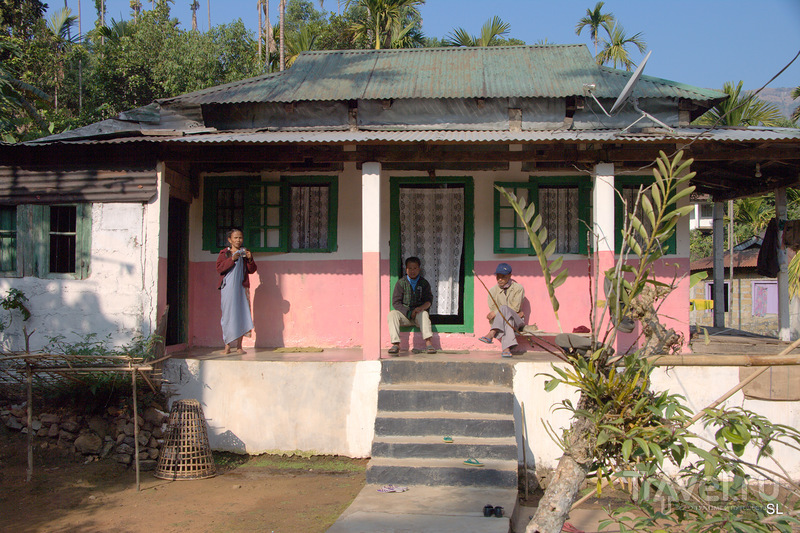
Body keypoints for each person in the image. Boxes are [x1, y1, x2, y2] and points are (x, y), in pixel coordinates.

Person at [216, 228, 257, 355]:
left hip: (241, 288)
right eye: (235, 238)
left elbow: (252, 270)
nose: (238, 240)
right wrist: (232, 259)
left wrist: (250, 259)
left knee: (242, 315)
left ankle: (239, 346)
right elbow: (219, 269)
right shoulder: (224, 253)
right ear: (230, 240)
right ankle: (227, 345)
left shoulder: (245, 253)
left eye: (240, 238)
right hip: (228, 288)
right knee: (228, 315)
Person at [388, 256, 436, 355]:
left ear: (419, 269)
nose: (412, 271)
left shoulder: (424, 283)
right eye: (410, 268)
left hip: (418, 316)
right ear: (406, 269)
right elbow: (396, 302)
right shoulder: (401, 283)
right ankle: (396, 344)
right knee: (392, 314)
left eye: (415, 268)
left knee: (424, 314)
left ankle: (429, 343)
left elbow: (429, 301)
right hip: (405, 316)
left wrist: (420, 309)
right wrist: (409, 313)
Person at [479, 263, 525, 357]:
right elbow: (492, 308)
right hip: (504, 321)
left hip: (517, 321)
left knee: (504, 309)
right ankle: (506, 349)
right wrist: (496, 313)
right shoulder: (492, 291)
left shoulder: (518, 288)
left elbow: (515, 308)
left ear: (509, 276)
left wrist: (496, 312)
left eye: (503, 277)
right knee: (508, 320)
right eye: (498, 277)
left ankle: (492, 332)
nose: (500, 279)